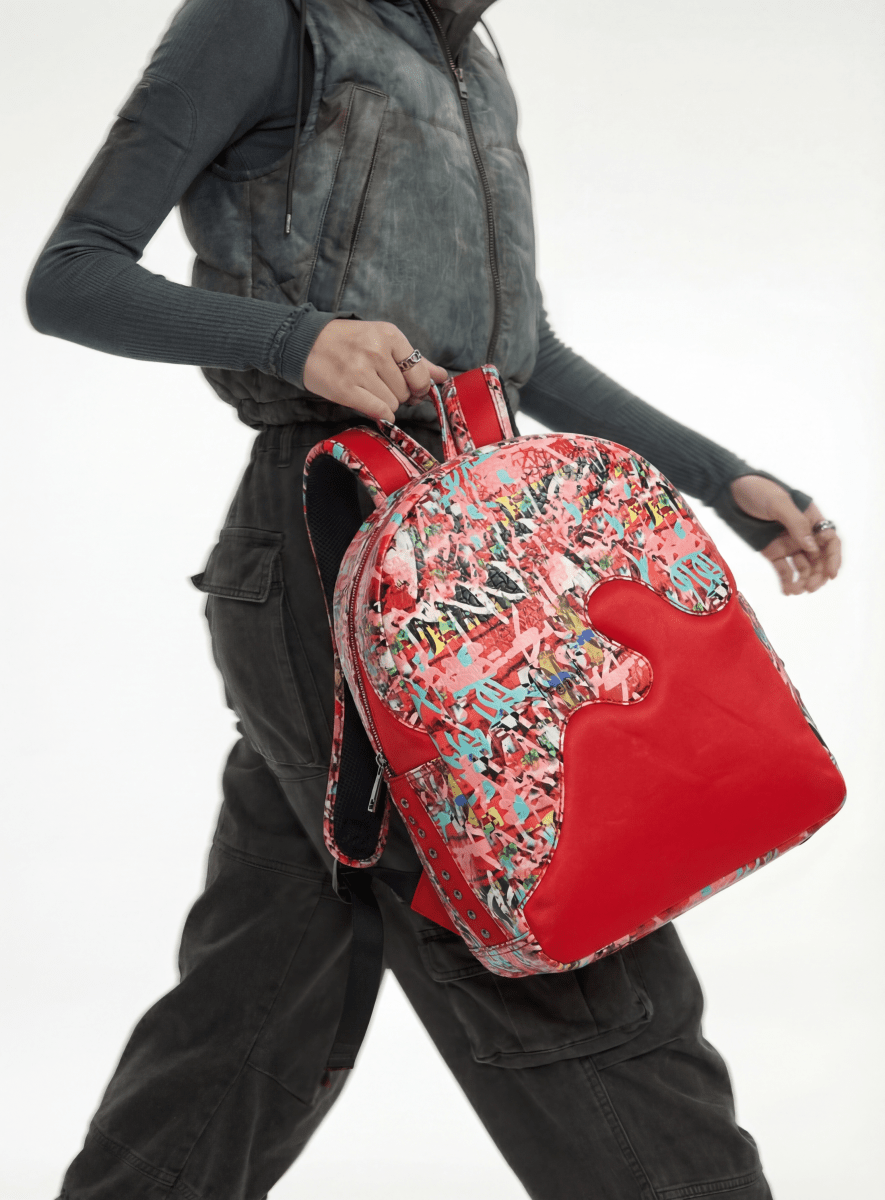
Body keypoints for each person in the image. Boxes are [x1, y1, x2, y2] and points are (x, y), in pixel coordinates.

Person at [26, 1, 842, 1197]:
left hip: (483, 556)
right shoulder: (272, 18)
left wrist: (724, 479)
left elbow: (520, 353)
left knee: (266, 991)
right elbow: (72, 277)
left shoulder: (469, 61)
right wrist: (295, 339)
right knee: (572, 959)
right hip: (336, 545)